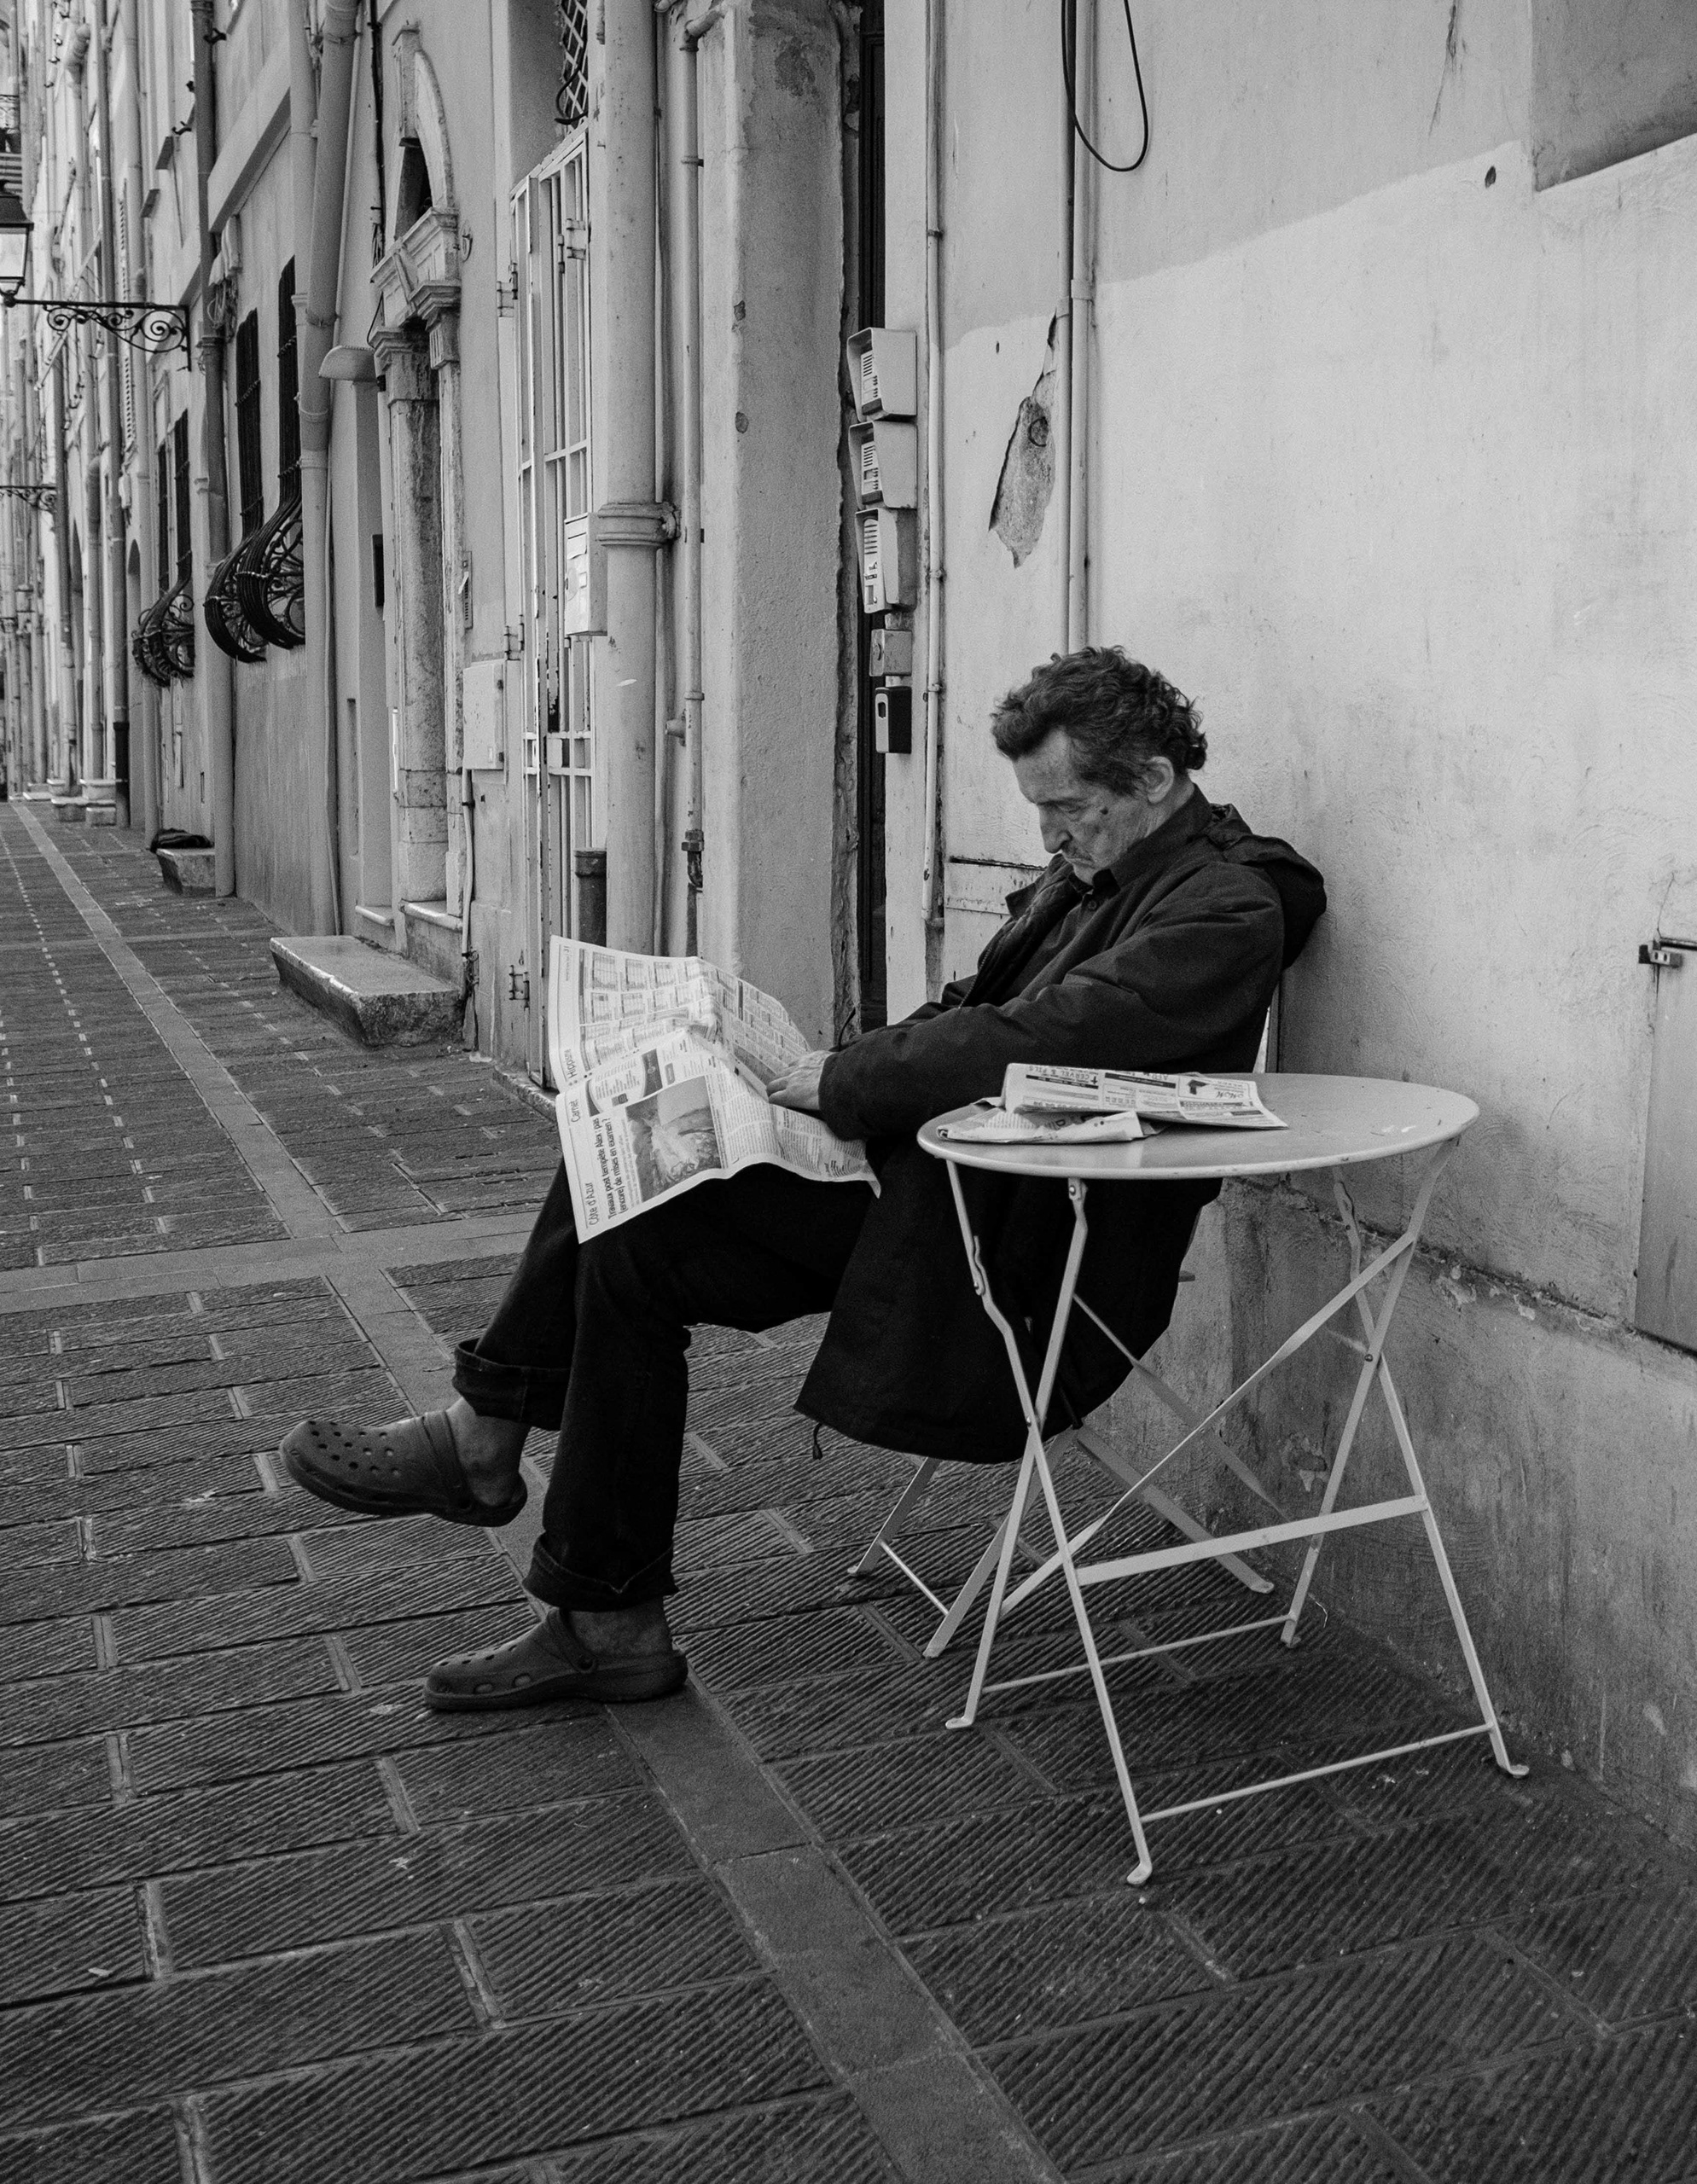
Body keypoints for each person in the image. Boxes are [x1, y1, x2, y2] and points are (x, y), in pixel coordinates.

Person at [279, 647, 1324, 1710]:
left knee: (633, 1205)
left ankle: (495, 1452)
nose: (1052, 835)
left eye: (1068, 807)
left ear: (1154, 777)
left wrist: (847, 1082)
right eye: (1041, 811)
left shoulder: (1224, 910)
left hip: (1020, 1251)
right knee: (630, 1176)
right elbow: (971, 1009)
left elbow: (1044, 1036)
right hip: (941, 1193)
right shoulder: (1100, 874)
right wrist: (802, 1074)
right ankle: (596, 1604)